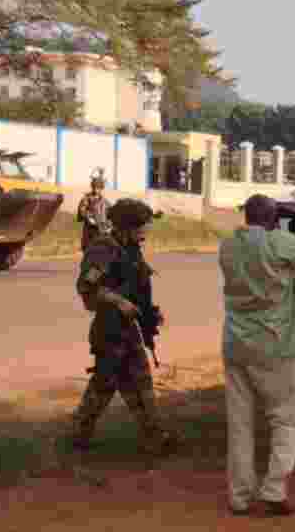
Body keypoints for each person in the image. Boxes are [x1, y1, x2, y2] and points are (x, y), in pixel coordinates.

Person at [219, 193, 295, 517]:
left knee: (240, 424)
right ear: (273, 219)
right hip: (274, 345)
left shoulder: (227, 246)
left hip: (235, 344)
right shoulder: (277, 243)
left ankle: (239, 497)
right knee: (285, 421)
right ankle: (273, 489)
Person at [70, 198, 176, 454]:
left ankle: (154, 436)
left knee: (140, 382)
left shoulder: (130, 249)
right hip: (109, 330)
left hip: (128, 330)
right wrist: (118, 301)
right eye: (142, 226)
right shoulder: (104, 248)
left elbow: (138, 286)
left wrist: (150, 315)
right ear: (127, 226)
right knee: (105, 384)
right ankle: (79, 432)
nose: (146, 231)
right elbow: (86, 286)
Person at [77, 169, 110, 252]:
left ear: (101, 189)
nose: (96, 190)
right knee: (89, 251)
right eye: (95, 187)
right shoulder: (86, 199)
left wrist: (109, 225)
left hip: (101, 231)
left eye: (98, 188)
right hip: (90, 230)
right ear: (92, 187)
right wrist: (89, 218)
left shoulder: (105, 202)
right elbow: (82, 210)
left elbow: (110, 214)